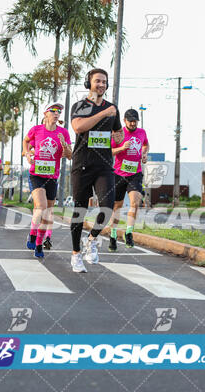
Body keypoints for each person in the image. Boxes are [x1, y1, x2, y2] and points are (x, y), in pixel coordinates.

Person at [69, 68, 124, 273]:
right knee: (80, 210)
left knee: (108, 206)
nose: (101, 85)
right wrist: (103, 114)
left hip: (104, 165)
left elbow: (118, 131)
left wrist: (118, 137)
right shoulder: (81, 106)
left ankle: (91, 240)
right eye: (97, 81)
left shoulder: (113, 108)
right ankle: (75, 255)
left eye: (104, 82)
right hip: (82, 164)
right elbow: (78, 127)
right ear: (89, 83)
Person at [23, 102, 72, 258]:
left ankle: (39, 243)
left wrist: (64, 145)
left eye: (59, 111)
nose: (57, 113)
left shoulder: (63, 132)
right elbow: (25, 141)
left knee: (48, 212)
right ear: (46, 113)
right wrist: (27, 154)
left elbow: (70, 155)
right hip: (36, 174)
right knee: (42, 206)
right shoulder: (36, 130)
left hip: (52, 177)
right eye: (54, 110)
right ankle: (32, 233)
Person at [108, 109, 149, 251]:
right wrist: (121, 148)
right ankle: (113, 235)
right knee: (116, 207)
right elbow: (109, 151)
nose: (133, 123)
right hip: (119, 174)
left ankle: (129, 232)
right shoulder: (119, 134)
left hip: (135, 174)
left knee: (135, 202)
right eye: (130, 120)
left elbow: (145, 144)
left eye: (135, 120)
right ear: (124, 121)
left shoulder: (142, 132)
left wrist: (144, 154)